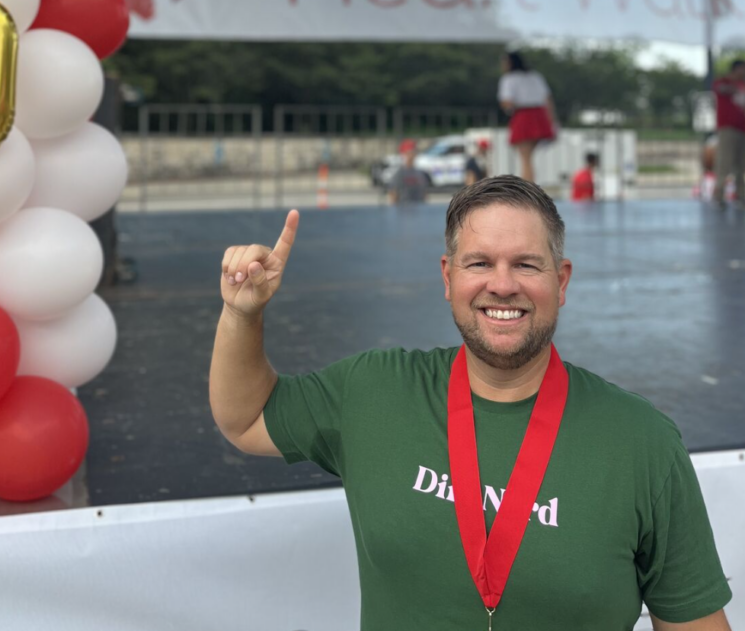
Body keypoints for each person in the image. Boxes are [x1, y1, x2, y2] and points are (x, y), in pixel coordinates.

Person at [210, 177, 732, 631]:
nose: (501, 285)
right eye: (479, 262)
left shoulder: (642, 443)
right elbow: (247, 418)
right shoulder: (373, 391)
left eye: (527, 264)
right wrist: (241, 314)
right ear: (448, 277)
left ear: (562, 280)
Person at [498, 51, 557, 184]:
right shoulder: (535, 76)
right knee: (528, 158)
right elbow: (548, 100)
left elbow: (506, 102)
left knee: (525, 159)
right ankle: (530, 187)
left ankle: (528, 190)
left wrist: (511, 107)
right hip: (539, 115)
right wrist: (552, 121)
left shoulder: (508, 79)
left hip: (523, 115)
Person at [711, 59, 745, 207]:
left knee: (741, 164)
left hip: (742, 129)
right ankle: (719, 195)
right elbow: (720, 88)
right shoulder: (723, 82)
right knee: (725, 161)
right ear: (735, 69)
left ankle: (741, 195)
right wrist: (735, 90)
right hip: (728, 128)